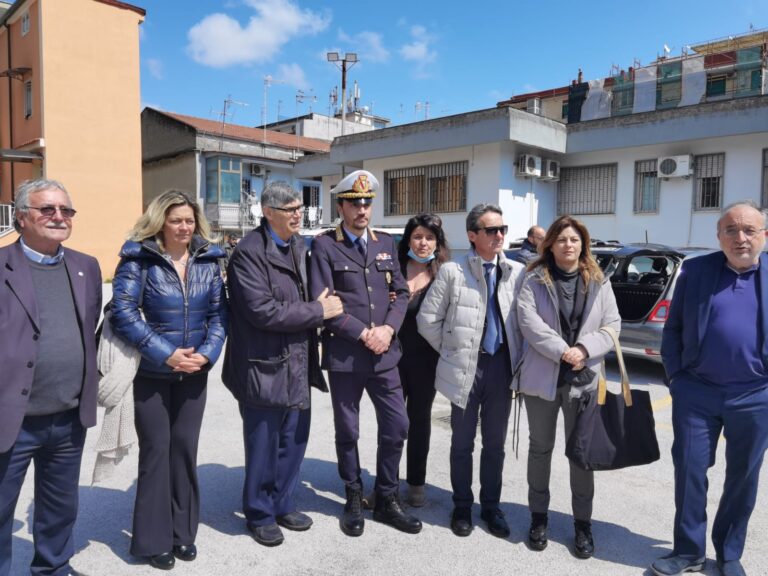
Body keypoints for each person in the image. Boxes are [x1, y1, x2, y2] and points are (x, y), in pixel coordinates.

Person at [110, 190, 227, 570]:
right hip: (152, 374)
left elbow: (218, 315)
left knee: (184, 451)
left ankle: (183, 533)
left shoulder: (208, 258)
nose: (184, 226)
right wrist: (166, 353)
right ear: (160, 221)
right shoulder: (139, 257)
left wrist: (206, 354)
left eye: (189, 220)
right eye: (176, 219)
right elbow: (123, 314)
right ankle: (151, 540)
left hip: (194, 372)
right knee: (157, 452)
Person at [223, 182, 343, 547]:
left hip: (297, 359)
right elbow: (262, 311)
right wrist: (317, 311)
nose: (297, 214)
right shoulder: (248, 253)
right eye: (290, 209)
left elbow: (300, 294)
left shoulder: (298, 245)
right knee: (264, 442)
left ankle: (282, 502)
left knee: (294, 438)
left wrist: (316, 304)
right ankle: (259, 512)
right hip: (263, 363)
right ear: (269, 212)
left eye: (299, 209)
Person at [651, 201, 768, 576]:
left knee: (743, 477)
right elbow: (674, 328)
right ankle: (688, 551)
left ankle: (729, 553)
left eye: (749, 230)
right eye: (731, 230)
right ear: (718, 236)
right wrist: (677, 379)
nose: (740, 237)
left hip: (755, 395)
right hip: (697, 392)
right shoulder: (697, 271)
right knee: (689, 470)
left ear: (763, 235)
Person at [308, 170, 421, 536]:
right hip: (346, 354)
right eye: (354, 203)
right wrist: (364, 334)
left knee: (397, 425)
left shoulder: (385, 242)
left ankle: (386, 496)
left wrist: (387, 330)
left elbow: (401, 294)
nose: (361, 208)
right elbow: (324, 302)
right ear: (340, 205)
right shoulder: (325, 246)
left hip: (385, 353)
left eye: (367, 202)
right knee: (348, 428)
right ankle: (353, 493)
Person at [0, 179, 101, 576]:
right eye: (47, 210)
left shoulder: (86, 266)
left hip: (67, 417)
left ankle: (53, 568)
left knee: (59, 508)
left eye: (66, 210)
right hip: (12, 418)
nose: (59, 217)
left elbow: (87, 326)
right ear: (22, 217)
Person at [516, 215, 620, 559]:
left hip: (584, 381)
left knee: (581, 456)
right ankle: (539, 517)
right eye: (561, 239)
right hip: (542, 379)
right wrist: (565, 351)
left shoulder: (598, 280)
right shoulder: (533, 279)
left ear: (583, 244)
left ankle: (582, 523)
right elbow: (528, 323)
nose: (568, 245)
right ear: (550, 244)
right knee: (540, 449)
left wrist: (585, 349)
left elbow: (612, 325)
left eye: (574, 240)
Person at [417, 203, 525, 538]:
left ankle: (491, 507)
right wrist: (453, 352)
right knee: (462, 443)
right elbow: (427, 321)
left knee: (494, 444)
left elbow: (523, 321)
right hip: (466, 368)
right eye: (492, 231)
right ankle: (462, 506)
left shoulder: (516, 272)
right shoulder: (452, 271)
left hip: (501, 368)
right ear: (472, 235)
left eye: (502, 229)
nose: (499, 236)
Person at [397, 213, 451, 508]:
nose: (423, 242)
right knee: (392, 423)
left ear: (437, 242)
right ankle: (386, 483)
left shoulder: (445, 273)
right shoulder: (393, 266)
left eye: (429, 238)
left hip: (426, 360)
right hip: (391, 357)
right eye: (418, 236)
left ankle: (416, 483)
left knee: (419, 421)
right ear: (408, 239)